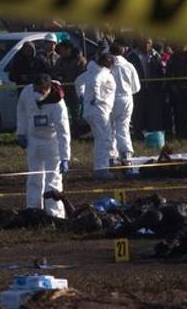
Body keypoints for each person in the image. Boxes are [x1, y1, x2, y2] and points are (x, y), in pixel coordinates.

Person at [15, 73, 71, 218]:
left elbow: (63, 131)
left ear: (48, 89)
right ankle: (33, 210)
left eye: (40, 91)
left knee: (53, 179)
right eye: (35, 89)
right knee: (34, 176)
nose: (36, 94)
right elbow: (21, 110)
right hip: (33, 140)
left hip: (52, 142)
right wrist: (21, 132)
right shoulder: (27, 92)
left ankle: (55, 214)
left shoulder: (58, 105)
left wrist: (65, 157)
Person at [75, 51, 116, 180]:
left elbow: (78, 82)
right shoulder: (102, 72)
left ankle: (104, 165)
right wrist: (96, 98)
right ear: (108, 62)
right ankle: (101, 169)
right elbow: (95, 82)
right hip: (99, 110)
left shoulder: (91, 70)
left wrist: (82, 96)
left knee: (101, 139)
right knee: (103, 140)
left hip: (92, 110)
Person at [108, 42, 143, 174]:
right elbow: (136, 88)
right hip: (127, 99)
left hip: (110, 99)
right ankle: (127, 159)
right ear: (122, 51)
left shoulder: (107, 66)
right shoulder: (129, 66)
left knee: (110, 129)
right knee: (123, 128)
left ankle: (111, 159)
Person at [166, 44, 187, 138]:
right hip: (178, 89)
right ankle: (182, 132)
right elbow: (168, 74)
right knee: (180, 112)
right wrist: (172, 87)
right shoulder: (173, 57)